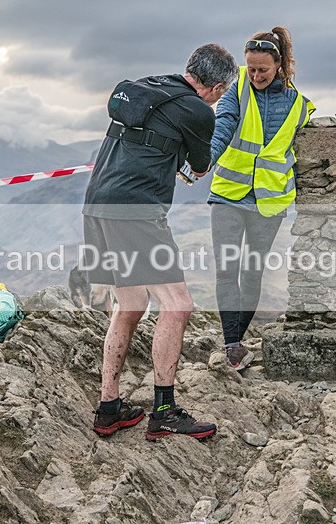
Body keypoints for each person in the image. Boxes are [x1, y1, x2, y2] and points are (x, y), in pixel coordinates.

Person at [82, 43, 237, 440]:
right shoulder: (199, 111)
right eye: (222, 93)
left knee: (130, 304)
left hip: (97, 205)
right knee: (178, 305)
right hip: (136, 211)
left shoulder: (149, 88)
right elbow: (200, 165)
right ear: (217, 87)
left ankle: (109, 408)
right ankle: (164, 411)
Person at [207, 27, 314, 370]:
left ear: (279, 65)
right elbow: (223, 126)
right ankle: (232, 344)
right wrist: (205, 160)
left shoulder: (299, 105)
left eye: (262, 70)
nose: (255, 76)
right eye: (250, 68)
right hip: (227, 193)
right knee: (227, 270)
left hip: (268, 201)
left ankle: (235, 341)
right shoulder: (235, 87)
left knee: (252, 273)